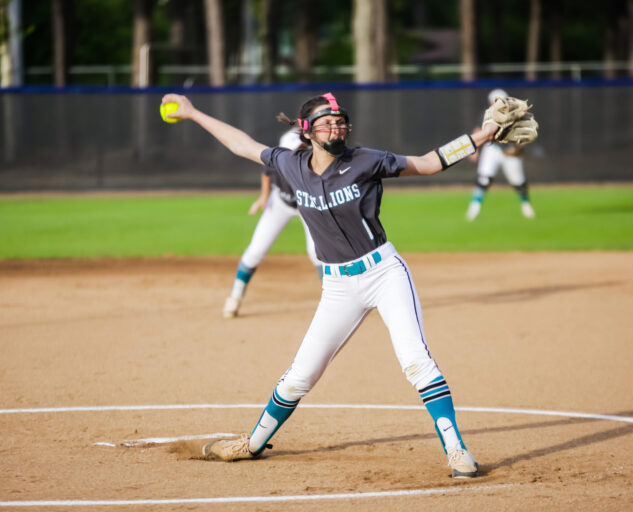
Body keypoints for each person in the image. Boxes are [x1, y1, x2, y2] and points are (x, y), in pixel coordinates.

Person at [160, 90, 501, 479]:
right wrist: (192, 113)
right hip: (338, 287)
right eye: (326, 121)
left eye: (339, 120)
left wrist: (484, 134)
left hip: (384, 273)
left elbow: (427, 163)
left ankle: (457, 451)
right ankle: (251, 444)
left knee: (415, 361)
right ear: (306, 130)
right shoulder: (289, 164)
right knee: (300, 376)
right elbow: (243, 144)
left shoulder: (366, 160)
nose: (335, 125)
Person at [223, 127, 322, 318]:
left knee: (317, 254)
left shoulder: (316, 162)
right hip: (280, 203)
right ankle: (235, 297)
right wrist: (263, 196)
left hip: (309, 206)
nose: (299, 152)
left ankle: (332, 301)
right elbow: (266, 172)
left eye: (303, 147)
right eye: (295, 149)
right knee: (255, 251)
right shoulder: (277, 160)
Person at [465, 88, 536, 221]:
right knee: (484, 178)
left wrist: (519, 148)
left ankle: (526, 205)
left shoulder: (515, 115)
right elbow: (477, 130)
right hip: (492, 149)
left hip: (509, 152)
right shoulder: (486, 114)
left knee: (518, 182)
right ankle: (474, 207)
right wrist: (473, 149)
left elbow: (524, 133)